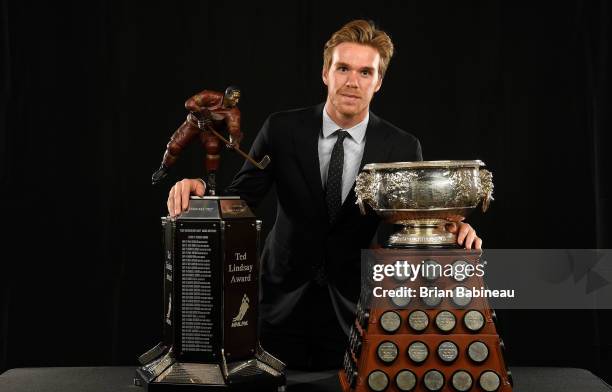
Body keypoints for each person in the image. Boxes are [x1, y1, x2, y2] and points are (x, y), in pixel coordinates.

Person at [165, 20, 481, 369]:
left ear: (378, 82)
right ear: (325, 73)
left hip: (356, 314)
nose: (352, 81)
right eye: (343, 68)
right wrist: (202, 193)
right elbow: (242, 200)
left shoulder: (402, 146)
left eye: (365, 72)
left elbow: (404, 231)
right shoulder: (282, 129)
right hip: (276, 308)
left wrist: (447, 233)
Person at [151, 86, 243, 195]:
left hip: (210, 131)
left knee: (213, 148)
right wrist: (201, 114)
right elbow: (189, 103)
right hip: (193, 124)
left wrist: (233, 142)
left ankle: (211, 178)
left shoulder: (234, 112)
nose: (236, 101)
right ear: (227, 95)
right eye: (234, 98)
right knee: (174, 146)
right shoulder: (210, 96)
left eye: (238, 98)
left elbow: (234, 130)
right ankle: (164, 168)